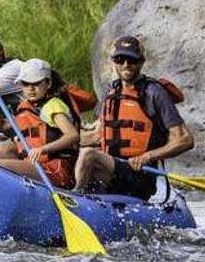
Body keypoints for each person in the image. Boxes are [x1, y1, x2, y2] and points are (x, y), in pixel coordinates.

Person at [75, 35, 193, 199]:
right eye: (120, 60)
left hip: (140, 174)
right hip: (114, 170)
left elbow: (185, 140)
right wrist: (59, 142)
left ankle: (74, 199)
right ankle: (82, 196)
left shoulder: (154, 93)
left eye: (132, 60)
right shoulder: (112, 92)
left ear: (141, 62)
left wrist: (148, 156)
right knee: (76, 154)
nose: (126, 65)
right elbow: (96, 136)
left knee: (89, 155)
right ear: (113, 62)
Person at [0, 58, 84, 187]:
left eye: (37, 83)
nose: (31, 89)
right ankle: (24, 187)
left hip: (56, 169)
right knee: (2, 151)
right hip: (38, 166)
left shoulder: (53, 105)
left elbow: (73, 135)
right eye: (26, 84)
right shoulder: (28, 106)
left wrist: (43, 149)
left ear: (48, 83)